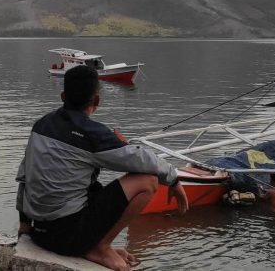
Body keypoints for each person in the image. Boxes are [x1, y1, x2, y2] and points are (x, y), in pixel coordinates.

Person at [16, 65, 189, 271]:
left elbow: (25, 175)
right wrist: (174, 179)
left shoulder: (41, 126)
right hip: (67, 238)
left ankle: (96, 245)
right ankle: (100, 247)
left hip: (39, 233)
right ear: (96, 100)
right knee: (147, 181)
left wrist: (24, 226)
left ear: (63, 96)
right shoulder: (92, 134)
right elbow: (142, 159)